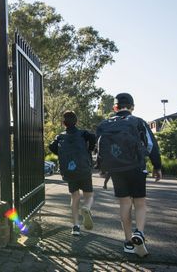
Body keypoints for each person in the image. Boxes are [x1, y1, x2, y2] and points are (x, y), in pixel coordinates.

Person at [96, 93, 162, 257]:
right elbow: (151, 146)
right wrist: (157, 166)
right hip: (136, 167)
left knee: (124, 204)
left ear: (115, 108)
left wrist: (103, 168)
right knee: (140, 203)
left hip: (116, 170)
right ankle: (139, 232)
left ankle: (127, 242)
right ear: (132, 107)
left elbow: (99, 148)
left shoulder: (104, 124)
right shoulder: (138, 122)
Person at [49, 111, 96, 236]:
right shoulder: (83, 133)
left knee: (74, 197)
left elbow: (51, 147)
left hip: (70, 171)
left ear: (64, 123)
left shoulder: (60, 136)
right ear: (76, 121)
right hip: (84, 169)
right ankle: (86, 208)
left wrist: (62, 154)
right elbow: (93, 137)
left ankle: (75, 226)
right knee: (89, 196)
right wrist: (89, 150)